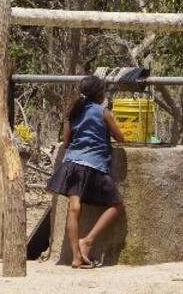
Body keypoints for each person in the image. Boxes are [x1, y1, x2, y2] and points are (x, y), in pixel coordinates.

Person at [46, 75, 127, 268]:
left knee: (74, 209)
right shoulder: (103, 112)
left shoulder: (73, 113)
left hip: (72, 164)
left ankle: (75, 257)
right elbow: (121, 137)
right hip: (94, 165)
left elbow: (66, 143)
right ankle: (88, 240)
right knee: (116, 206)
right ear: (100, 94)